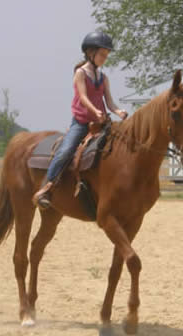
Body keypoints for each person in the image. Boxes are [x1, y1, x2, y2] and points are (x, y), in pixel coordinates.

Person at [32, 31, 128, 209]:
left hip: (101, 123)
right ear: (90, 53)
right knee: (66, 150)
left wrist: (118, 111)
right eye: (102, 54)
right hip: (82, 124)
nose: (104, 58)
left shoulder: (103, 77)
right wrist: (95, 111)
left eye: (106, 55)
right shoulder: (80, 73)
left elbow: (110, 102)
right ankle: (47, 187)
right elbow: (83, 98)